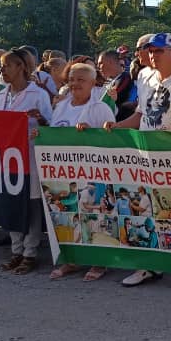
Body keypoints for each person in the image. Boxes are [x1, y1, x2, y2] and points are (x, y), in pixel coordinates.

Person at [110, 33, 171, 288]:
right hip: (147, 159)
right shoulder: (144, 76)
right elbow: (141, 116)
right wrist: (116, 127)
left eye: (158, 51)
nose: (152, 55)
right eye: (150, 51)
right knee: (149, 210)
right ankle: (150, 265)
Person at [44, 62, 118, 281]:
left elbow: (112, 139)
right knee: (68, 216)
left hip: (92, 174)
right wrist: (40, 134)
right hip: (63, 173)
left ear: (93, 83)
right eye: (72, 79)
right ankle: (72, 259)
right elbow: (54, 133)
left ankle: (99, 262)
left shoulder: (100, 108)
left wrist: (90, 133)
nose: (75, 84)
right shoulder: (62, 105)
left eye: (81, 80)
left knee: (93, 217)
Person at [0, 48, 53, 274]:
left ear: (21, 67)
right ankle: (16, 249)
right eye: (1, 65)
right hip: (7, 159)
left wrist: (41, 119)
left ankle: (30, 252)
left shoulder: (38, 95)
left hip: (30, 156)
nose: (2, 69)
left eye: (7, 65)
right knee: (11, 202)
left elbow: (51, 126)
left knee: (32, 204)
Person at [97, 49, 136, 120]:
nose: (98, 67)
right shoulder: (107, 83)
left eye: (100, 63)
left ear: (110, 62)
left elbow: (130, 104)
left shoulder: (130, 80)